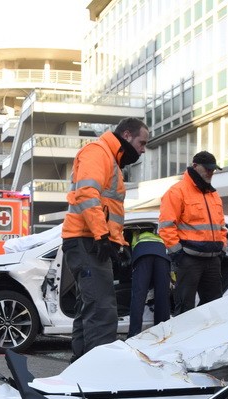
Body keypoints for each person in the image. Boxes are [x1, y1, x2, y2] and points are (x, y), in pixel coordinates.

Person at [62, 117, 149, 359]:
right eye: (142, 143)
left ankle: (80, 368)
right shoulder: (98, 152)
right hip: (87, 241)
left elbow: (105, 207)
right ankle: (98, 372)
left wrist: (118, 243)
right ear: (127, 135)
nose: (142, 150)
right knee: (102, 310)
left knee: (89, 308)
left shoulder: (108, 159)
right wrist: (102, 236)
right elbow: (87, 195)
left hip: (87, 241)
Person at [158, 151, 227, 314]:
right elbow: (166, 226)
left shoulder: (214, 195)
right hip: (188, 259)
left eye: (213, 170)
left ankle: (208, 339)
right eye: (208, 169)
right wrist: (178, 253)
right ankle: (184, 339)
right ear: (195, 166)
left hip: (212, 259)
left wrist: (222, 248)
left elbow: (221, 226)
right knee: (184, 307)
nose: (211, 172)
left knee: (214, 307)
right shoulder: (177, 192)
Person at [126, 227, 171, 337]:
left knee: (139, 295)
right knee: (162, 295)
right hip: (162, 254)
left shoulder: (133, 232)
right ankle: (162, 333)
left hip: (142, 255)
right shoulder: (160, 232)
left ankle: (134, 333)